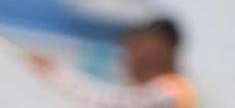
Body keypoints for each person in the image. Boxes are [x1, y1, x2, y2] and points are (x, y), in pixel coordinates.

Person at [28, 17, 198, 108]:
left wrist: (56, 73)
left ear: (163, 47)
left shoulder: (172, 92)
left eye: (138, 47)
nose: (130, 58)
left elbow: (111, 103)